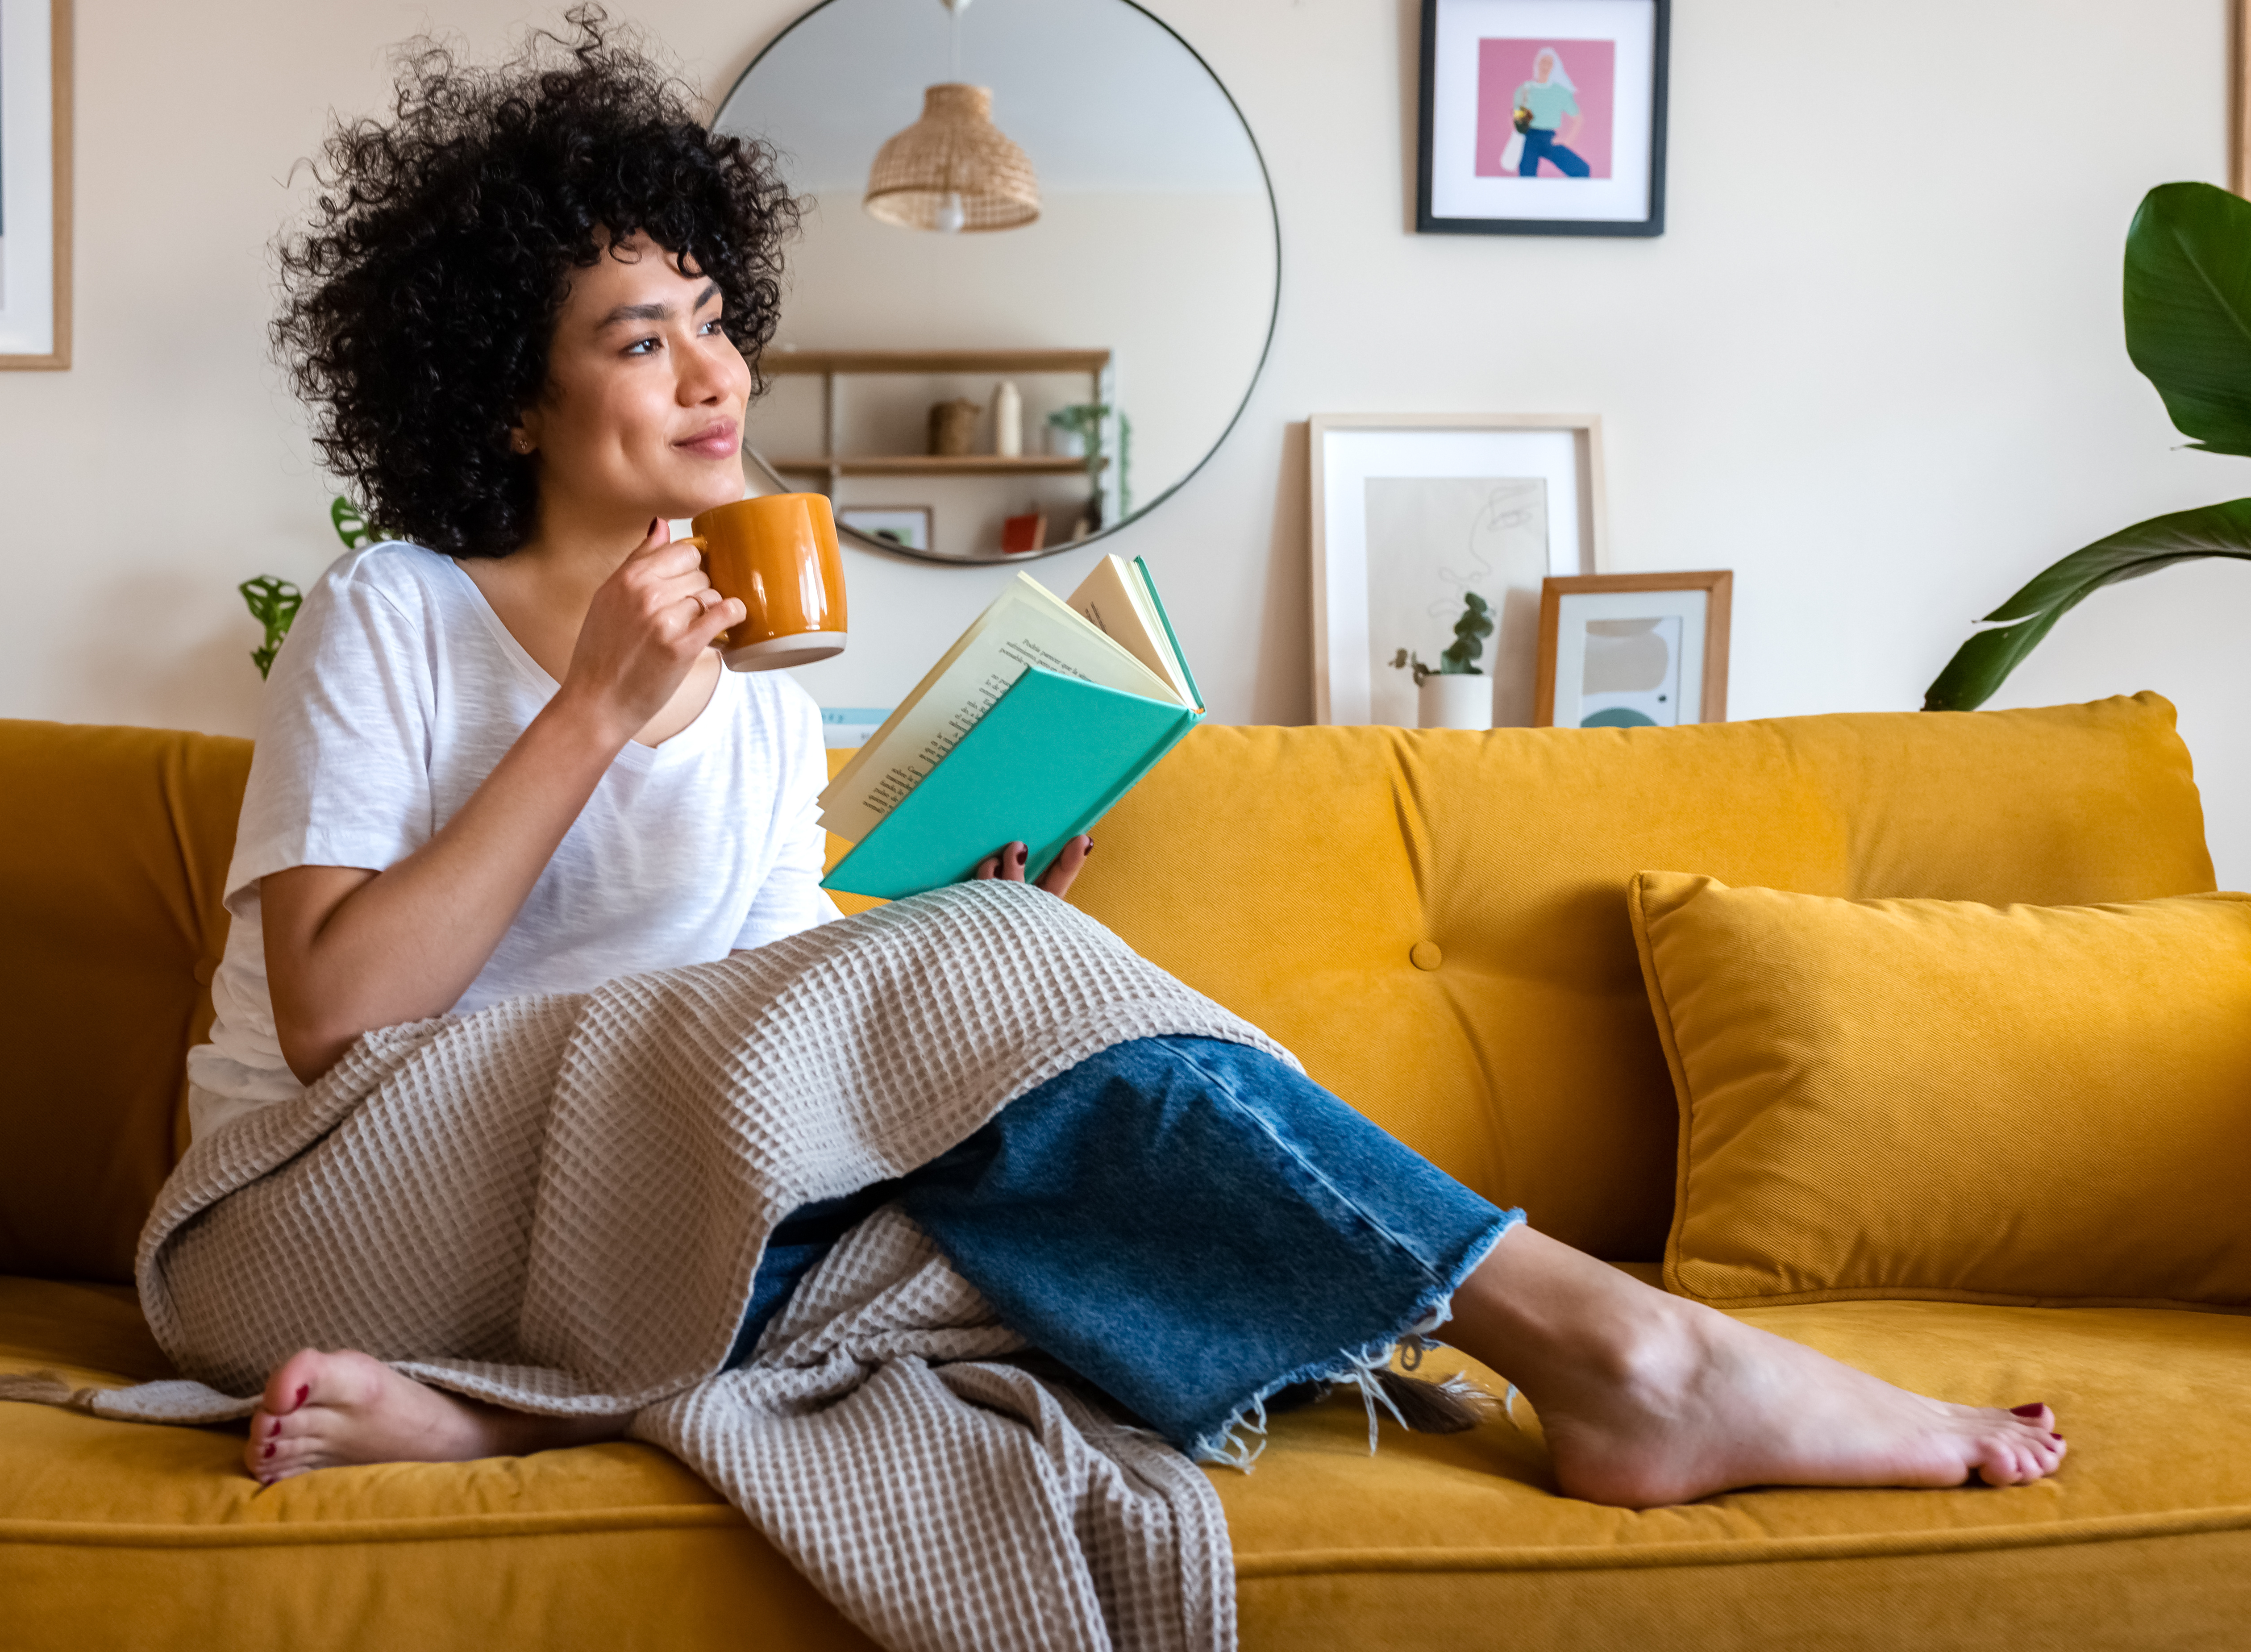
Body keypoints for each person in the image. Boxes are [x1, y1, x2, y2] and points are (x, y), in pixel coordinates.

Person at [199, 13, 2067, 1509]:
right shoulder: (397, 615)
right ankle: (1625, 1347)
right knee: (1013, 1167)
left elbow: (747, 1045)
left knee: (1029, 1209)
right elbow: (331, 1015)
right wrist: (591, 713)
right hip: (324, 1211)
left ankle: (520, 1412)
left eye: (711, 319)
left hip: (605, 1220)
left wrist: (948, 933)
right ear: (509, 400)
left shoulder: (762, 695)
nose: (713, 376)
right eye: (637, 338)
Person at [1515, 46, 1593, 178]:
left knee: (1582, 170)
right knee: (1526, 178)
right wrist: (1524, 109)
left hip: (1549, 138)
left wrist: (1566, 141)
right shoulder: (1525, 89)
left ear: (1554, 67)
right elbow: (1520, 125)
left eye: (1549, 63)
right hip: (1529, 138)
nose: (1545, 66)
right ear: (1537, 64)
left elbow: (1578, 120)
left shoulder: (1561, 92)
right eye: (1543, 62)